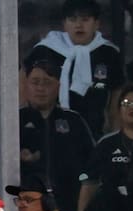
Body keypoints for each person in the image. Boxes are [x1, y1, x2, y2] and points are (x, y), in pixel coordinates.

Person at [23, 0, 125, 139]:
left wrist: (115, 137)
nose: (79, 25)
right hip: (47, 132)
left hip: (93, 131)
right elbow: (23, 86)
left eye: (85, 19)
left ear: (96, 24)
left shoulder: (108, 53)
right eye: (72, 19)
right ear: (64, 24)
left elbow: (116, 101)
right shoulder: (45, 50)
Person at [20, 56, 95, 211]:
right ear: (27, 85)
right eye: (35, 82)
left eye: (47, 82)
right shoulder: (14, 121)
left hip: (68, 208)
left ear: (58, 86)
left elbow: (91, 166)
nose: (41, 88)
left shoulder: (74, 121)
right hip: (26, 210)